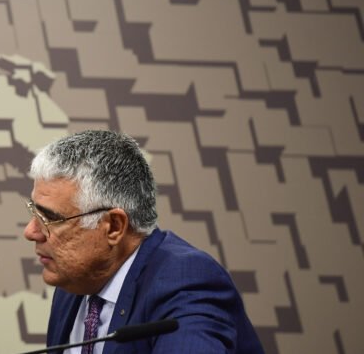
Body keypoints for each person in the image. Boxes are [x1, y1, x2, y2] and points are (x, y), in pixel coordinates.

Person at [23, 130, 263, 354]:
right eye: (34, 211)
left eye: (49, 218)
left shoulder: (187, 283)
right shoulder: (75, 282)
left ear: (114, 227)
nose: (30, 232)